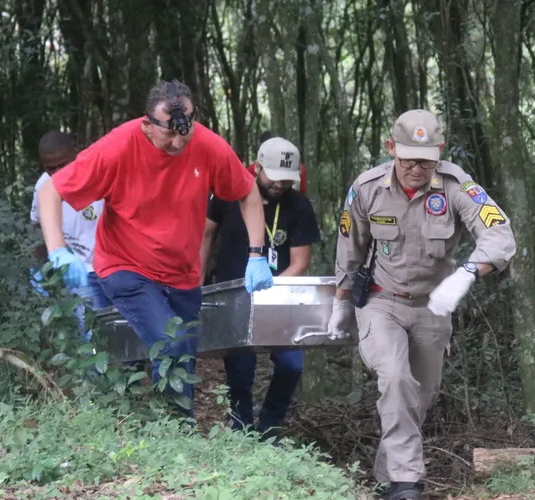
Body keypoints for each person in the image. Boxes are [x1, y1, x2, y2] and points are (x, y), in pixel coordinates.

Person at [34, 80, 275, 418]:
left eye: (184, 133)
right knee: (171, 342)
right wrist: (57, 250)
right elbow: (50, 192)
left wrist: (256, 255)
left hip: (183, 274)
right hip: (125, 266)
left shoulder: (206, 145)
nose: (178, 143)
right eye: (169, 135)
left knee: (184, 361)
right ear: (148, 124)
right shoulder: (118, 147)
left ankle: (176, 434)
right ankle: (148, 426)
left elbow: (247, 191)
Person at [326, 110, 516, 500]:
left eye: (426, 159)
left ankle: (387, 479)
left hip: (433, 307)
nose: (416, 167)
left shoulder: (455, 185)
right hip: (381, 301)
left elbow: (499, 234)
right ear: (391, 148)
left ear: (439, 152)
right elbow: (350, 248)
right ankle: (408, 484)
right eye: (408, 158)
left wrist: (466, 273)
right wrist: (341, 302)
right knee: (396, 378)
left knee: (419, 397)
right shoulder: (367, 188)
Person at [200, 136, 321, 441]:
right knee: (240, 367)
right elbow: (206, 235)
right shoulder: (228, 193)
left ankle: (269, 425)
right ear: (257, 168)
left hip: (280, 298)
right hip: (234, 294)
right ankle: (240, 427)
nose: (281, 185)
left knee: (291, 365)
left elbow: (300, 262)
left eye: (288, 180)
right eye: (275, 178)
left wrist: (272, 291)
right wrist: (198, 282)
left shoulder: (299, 206)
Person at [29, 131, 112, 316]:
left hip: (113, 267)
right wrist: (38, 267)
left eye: (63, 164)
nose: (59, 173)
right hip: (80, 274)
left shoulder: (98, 174)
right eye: (51, 168)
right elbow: (36, 226)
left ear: (75, 154)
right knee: (92, 333)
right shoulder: (43, 187)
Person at [246, 131, 307, 195]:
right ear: (257, 167)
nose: (279, 185)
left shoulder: (297, 168)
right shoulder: (251, 170)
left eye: (286, 178)